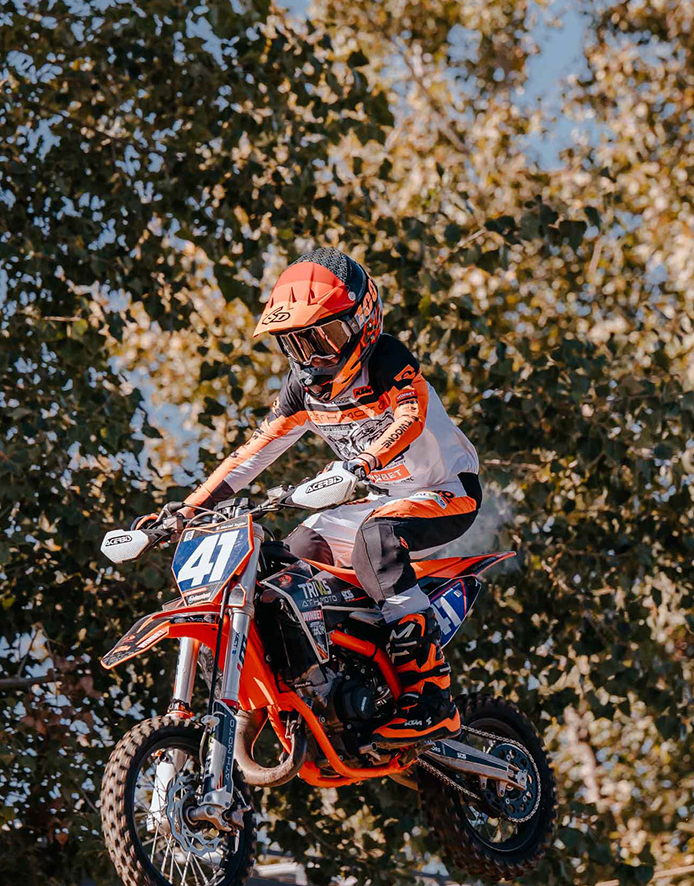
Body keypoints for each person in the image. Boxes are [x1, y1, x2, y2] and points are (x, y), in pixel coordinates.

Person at [159, 248, 481, 744]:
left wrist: (363, 462)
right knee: (292, 555)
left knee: (377, 539)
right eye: (296, 344)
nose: (311, 359)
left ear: (362, 323)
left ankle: (432, 693)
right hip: (382, 499)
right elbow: (252, 454)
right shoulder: (302, 391)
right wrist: (189, 508)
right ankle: (327, 677)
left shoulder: (387, 360)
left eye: (322, 339)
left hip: (446, 490)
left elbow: (410, 417)